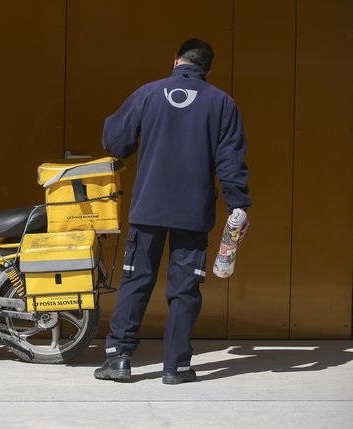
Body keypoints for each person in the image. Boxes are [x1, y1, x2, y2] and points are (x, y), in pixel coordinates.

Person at [93, 39, 251, 384]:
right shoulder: (223, 103)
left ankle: (119, 359)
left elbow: (115, 141)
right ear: (208, 68)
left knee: (136, 281)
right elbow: (231, 163)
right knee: (185, 289)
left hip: (148, 207)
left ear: (176, 60)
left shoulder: (147, 94)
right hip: (193, 212)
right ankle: (176, 367)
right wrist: (238, 204)